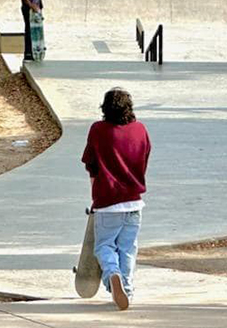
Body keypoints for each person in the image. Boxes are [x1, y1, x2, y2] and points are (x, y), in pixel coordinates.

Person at [81, 88, 151, 311]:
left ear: (105, 108)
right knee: (128, 249)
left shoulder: (98, 130)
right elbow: (145, 158)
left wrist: (95, 190)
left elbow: (90, 163)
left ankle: (113, 274)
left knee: (104, 247)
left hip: (107, 202)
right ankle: (126, 291)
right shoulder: (140, 129)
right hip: (134, 202)